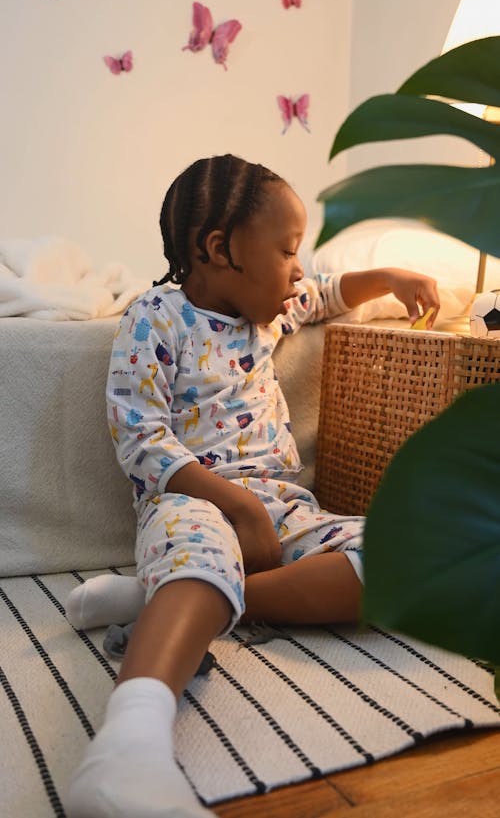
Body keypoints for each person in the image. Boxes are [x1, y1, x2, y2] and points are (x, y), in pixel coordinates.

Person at [66, 153, 440, 818]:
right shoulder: (156, 316)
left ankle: (167, 599)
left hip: (285, 508)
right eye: (288, 249)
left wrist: (388, 276)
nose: (300, 267)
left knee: (400, 559)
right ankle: (126, 747)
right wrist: (236, 506)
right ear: (219, 249)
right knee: (202, 547)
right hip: (196, 502)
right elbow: (141, 436)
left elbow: (325, 291)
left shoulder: (268, 314)